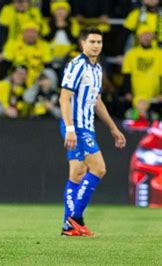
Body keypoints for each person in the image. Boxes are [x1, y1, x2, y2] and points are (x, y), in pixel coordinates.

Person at [59, 28, 126, 237]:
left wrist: (113, 128)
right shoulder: (77, 65)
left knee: (77, 173)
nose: (96, 45)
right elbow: (64, 97)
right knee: (99, 168)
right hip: (76, 126)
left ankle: (68, 227)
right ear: (82, 43)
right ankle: (76, 217)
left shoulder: (97, 69)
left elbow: (97, 102)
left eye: (99, 42)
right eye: (92, 41)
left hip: (87, 126)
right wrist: (70, 128)